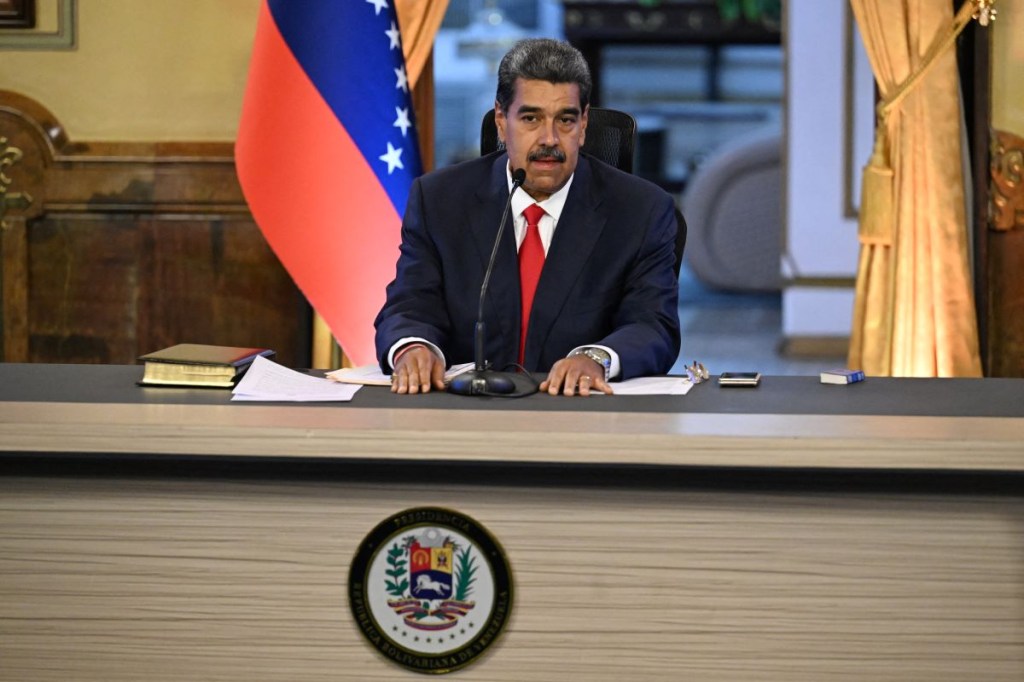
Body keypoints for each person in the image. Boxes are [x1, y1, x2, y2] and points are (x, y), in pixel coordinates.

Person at [375, 38, 680, 396]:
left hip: (580, 416)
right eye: (531, 118)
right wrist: (414, 348)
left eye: (565, 120)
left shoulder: (641, 211)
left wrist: (596, 358)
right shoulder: (440, 200)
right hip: (463, 415)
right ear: (502, 121)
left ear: (583, 125)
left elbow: (652, 324)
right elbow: (411, 302)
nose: (549, 139)